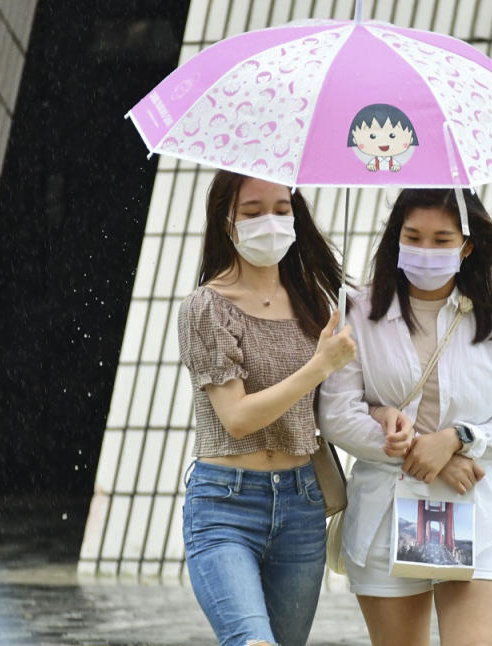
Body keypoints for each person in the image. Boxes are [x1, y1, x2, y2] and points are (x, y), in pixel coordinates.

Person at [318, 188, 492, 646]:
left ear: (466, 246)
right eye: (414, 236)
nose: (426, 250)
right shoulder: (357, 312)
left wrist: (457, 439)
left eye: (442, 240)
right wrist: (425, 454)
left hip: (476, 517)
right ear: (396, 240)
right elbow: (338, 416)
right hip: (387, 519)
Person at [177, 170, 356, 646]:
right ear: (227, 222)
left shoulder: (316, 305)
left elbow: (338, 404)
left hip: (302, 506)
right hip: (225, 505)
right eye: (253, 212)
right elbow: (236, 418)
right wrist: (318, 366)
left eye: (281, 209)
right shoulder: (207, 307)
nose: (270, 222)